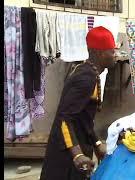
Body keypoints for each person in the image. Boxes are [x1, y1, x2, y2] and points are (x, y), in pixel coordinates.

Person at [40, 26, 116, 180]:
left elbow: (83, 118)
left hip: (79, 144)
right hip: (66, 153)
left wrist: (96, 143)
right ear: (100, 54)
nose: (115, 55)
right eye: (112, 51)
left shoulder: (89, 71)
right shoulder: (85, 78)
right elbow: (65, 118)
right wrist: (77, 154)